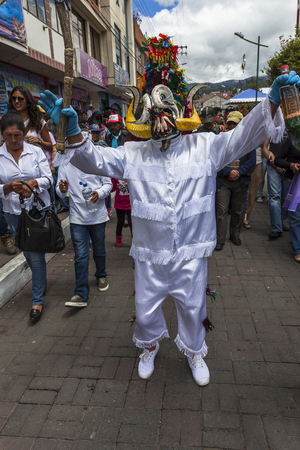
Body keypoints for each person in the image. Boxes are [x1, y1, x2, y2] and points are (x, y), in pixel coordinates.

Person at [40, 48, 293, 387]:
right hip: (150, 253)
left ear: (178, 112)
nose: (159, 117)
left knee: (192, 307)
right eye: (152, 111)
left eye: (165, 109)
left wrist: (272, 103)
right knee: (145, 307)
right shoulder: (133, 153)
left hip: (191, 251)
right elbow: (94, 161)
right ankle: (149, 347)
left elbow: (243, 136)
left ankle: (194, 352)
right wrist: (72, 131)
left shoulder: (205, 146)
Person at [0, 111, 52, 322]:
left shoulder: (35, 152)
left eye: (17, 136)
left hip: (37, 210)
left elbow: (49, 177)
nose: (13, 140)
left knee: (35, 255)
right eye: (8, 136)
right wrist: (7, 188)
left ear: (23, 134)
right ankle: (41, 280)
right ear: (3, 135)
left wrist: (33, 184)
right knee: (28, 253)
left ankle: (37, 301)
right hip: (13, 213)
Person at [56, 163, 112, 306]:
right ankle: (81, 293)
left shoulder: (96, 160)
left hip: (98, 217)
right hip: (77, 218)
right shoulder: (65, 163)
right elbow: (60, 190)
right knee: (81, 255)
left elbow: (108, 184)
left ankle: (101, 275)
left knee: (99, 250)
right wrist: (62, 189)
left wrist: (99, 193)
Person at [215, 112, 256, 250]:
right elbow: (215, 161)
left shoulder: (248, 141)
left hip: (241, 180)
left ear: (241, 124)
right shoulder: (221, 140)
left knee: (238, 211)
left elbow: (251, 163)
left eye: (235, 123)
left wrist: (238, 172)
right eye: (230, 123)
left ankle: (235, 235)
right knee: (221, 210)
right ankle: (220, 238)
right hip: (224, 181)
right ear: (226, 123)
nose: (232, 126)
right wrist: (228, 171)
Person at [274, 139, 300, 261]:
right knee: (295, 216)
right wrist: (291, 165)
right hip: (292, 183)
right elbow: (277, 159)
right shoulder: (291, 140)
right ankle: (297, 250)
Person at [8, 86, 53, 155]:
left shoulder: (39, 122)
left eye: (20, 99)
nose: (16, 101)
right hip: (13, 162)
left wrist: (38, 141)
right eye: (14, 98)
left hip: (34, 163)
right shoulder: (8, 121)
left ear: (28, 101)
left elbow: (50, 147)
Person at [262, 133, 289, 238]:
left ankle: (280, 223)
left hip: (288, 168)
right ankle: (276, 228)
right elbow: (264, 148)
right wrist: (273, 162)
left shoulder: (293, 126)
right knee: (275, 196)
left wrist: (286, 164)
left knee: (284, 198)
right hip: (273, 167)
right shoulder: (271, 128)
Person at [243, 144, 263, 229]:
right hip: (240, 157)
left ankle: (245, 216)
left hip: (257, 160)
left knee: (252, 191)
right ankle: (236, 215)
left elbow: (264, 145)